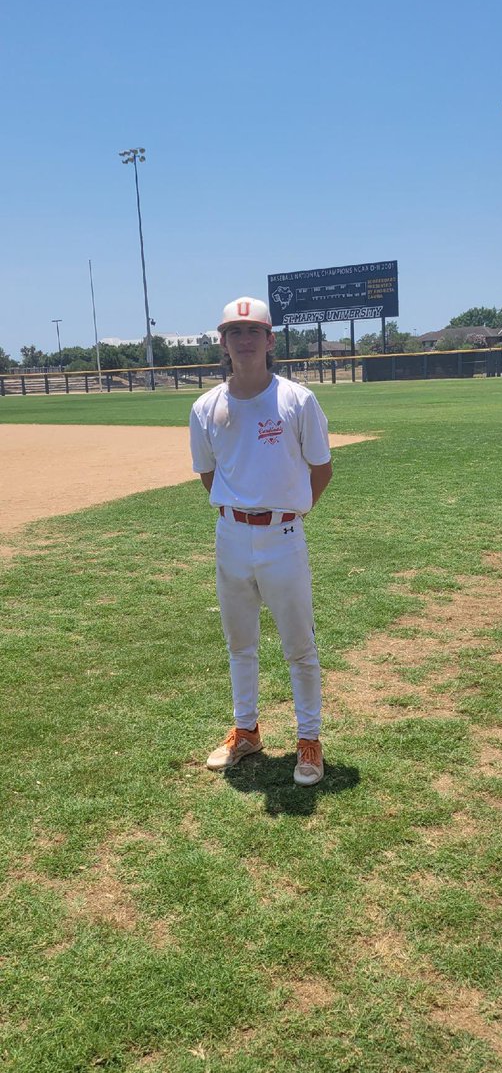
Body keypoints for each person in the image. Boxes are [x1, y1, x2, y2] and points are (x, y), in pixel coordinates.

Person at [189, 296, 332, 786]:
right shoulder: (205, 407)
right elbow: (209, 475)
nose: (244, 341)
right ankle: (246, 731)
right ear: (223, 343)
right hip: (230, 536)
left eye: (253, 332)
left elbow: (322, 467)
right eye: (234, 333)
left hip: (284, 536)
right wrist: (241, 513)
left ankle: (308, 740)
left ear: (270, 341)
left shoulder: (297, 399)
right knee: (240, 644)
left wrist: (289, 513)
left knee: (299, 645)